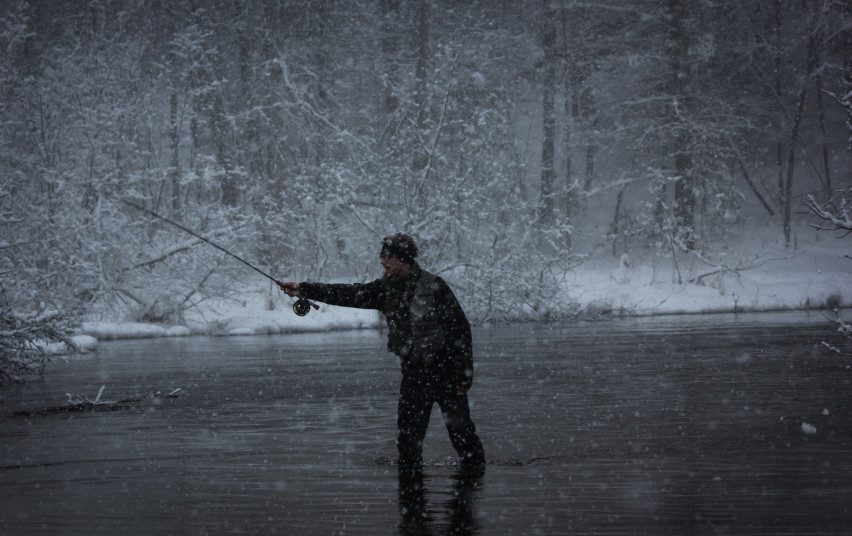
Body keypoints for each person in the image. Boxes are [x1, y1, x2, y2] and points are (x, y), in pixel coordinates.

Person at [277, 233, 485, 475]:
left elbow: (460, 331)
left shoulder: (435, 286)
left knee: (462, 436)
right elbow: (346, 294)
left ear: (403, 259)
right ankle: (412, 497)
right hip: (415, 376)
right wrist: (304, 289)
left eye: (387, 257)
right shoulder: (385, 290)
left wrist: (464, 375)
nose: (382, 261)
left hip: (447, 375)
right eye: (381, 256)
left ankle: (473, 487)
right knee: (408, 442)